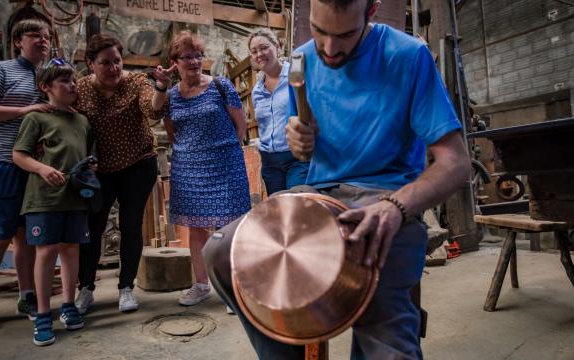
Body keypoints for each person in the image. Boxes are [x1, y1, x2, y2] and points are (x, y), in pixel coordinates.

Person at [202, 0, 472, 358]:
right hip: (317, 192)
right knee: (222, 253)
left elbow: (456, 162)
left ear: (371, 11)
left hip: (384, 197)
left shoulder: (408, 55)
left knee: (384, 334)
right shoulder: (299, 61)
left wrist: (396, 207)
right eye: (319, 30)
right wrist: (301, 142)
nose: (329, 49)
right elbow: (306, 151)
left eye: (345, 34)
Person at [0, 18, 55, 332]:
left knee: (26, 235)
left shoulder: (45, 76)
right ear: (18, 41)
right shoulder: (1, 71)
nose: (41, 41)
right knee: (0, 233)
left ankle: (27, 295)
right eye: (34, 36)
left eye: (45, 36)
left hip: (33, 165)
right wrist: (21, 111)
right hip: (2, 161)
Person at [151, 31, 251, 306]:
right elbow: (170, 130)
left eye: (198, 55)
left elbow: (240, 124)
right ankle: (201, 284)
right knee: (197, 229)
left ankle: (235, 288)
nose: (195, 61)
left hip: (225, 163)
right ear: (174, 62)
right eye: (187, 57)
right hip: (190, 167)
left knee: (230, 227)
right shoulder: (171, 95)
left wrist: (231, 151)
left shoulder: (221, 85)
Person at [74, 34, 163, 314]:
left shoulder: (136, 82)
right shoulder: (80, 89)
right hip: (100, 170)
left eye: (117, 61)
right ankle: (85, 288)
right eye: (105, 63)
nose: (113, 68)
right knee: (93, 227)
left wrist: (161, 87)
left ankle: (126, 287)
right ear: (90, 64)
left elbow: (152, 109)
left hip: (138, 163)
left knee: (131, 225)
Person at [13, 59, 92, 346]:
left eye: (73, 81)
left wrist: (89, 170)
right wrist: (43, 169)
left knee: (71, 250)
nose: (72, 86)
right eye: (64, 82)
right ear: (46, 87)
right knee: (46, 252)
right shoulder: (36, 119)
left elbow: (87, 156)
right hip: (43, 199)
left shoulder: (82, 121)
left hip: (74, 197)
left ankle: (69, 305)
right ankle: (44, 314)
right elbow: (19, 155)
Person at [249, 28, 309, 195]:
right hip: (270, 162)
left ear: (278, 46)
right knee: (276, 211)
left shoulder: (296, 75)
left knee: (295, 205)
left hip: (296, 158)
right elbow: (263, 126)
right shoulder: (257, 91)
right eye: (254, 51)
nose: (259, 54)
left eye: (264, 47)